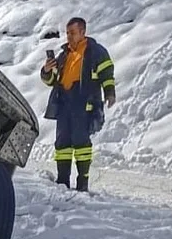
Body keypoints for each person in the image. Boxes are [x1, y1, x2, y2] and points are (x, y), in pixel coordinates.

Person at [39, 18, 116, 191]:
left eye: (72, 33)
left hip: (83, 102)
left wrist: (109, 92)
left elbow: (107, 73)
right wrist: (46, 71)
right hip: (64, 102)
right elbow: (52, 81)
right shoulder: (64, 54)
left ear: (83, 32)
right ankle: (62, 181)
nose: (69, 37)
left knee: (81, 142)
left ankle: (82, 184)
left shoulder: (95, 51)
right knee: (62, 143)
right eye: (67, 33)